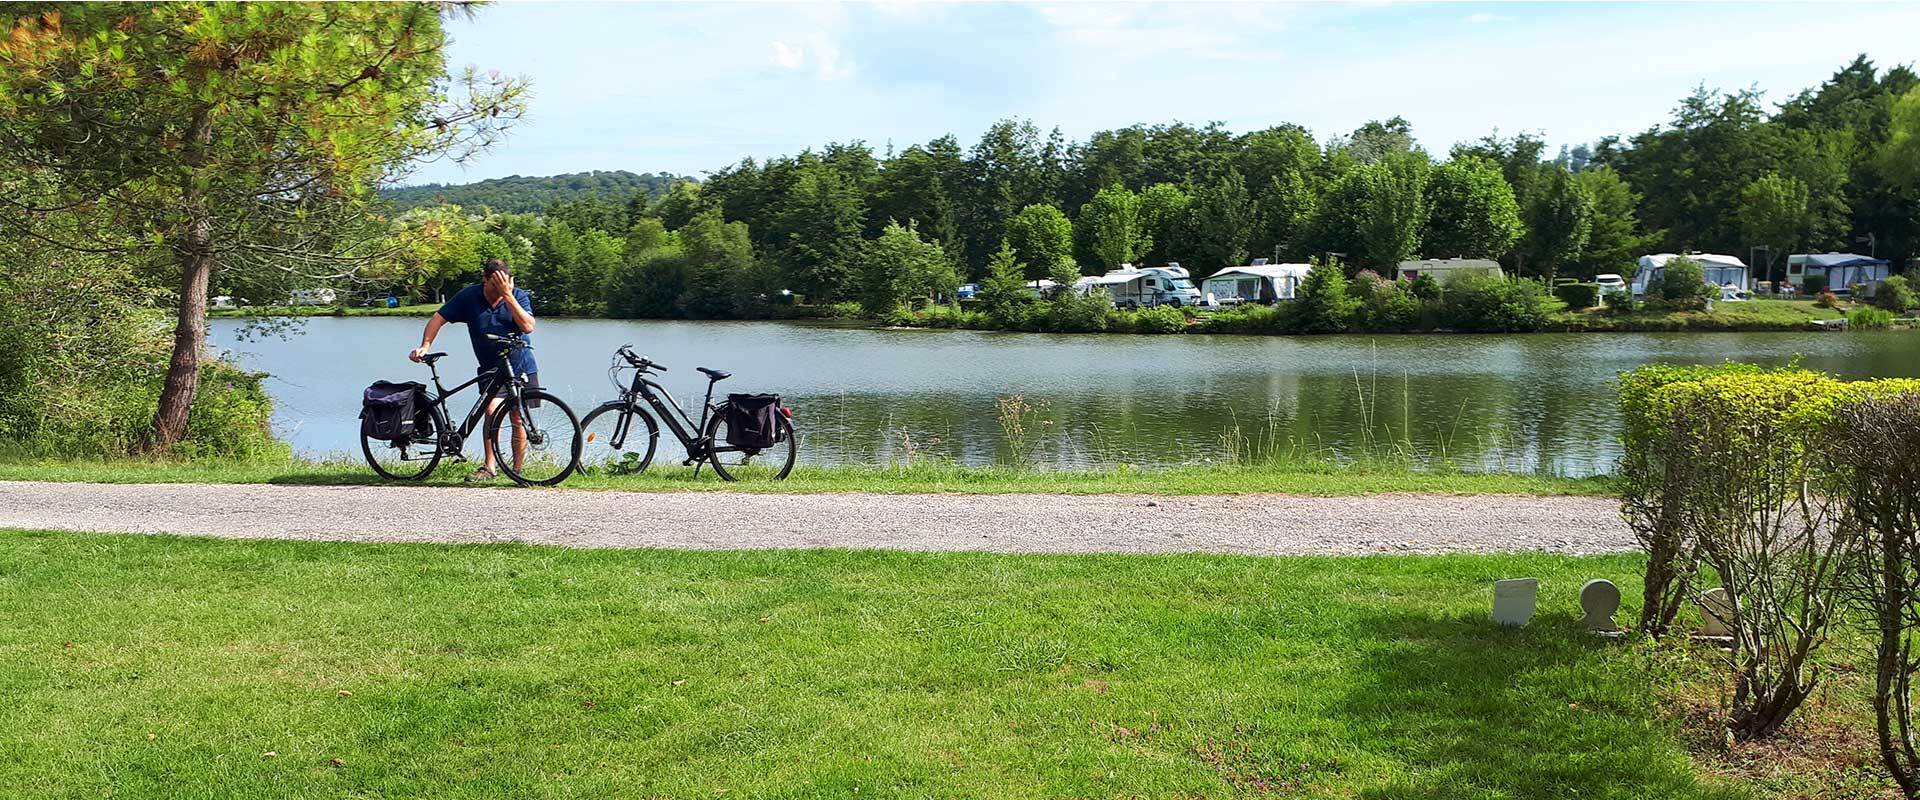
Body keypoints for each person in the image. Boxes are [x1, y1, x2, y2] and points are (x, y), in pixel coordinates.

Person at [408, 258, 537, 481]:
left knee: (517, 416)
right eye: (495, 285)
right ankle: (489, 468)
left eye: (504, 284)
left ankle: (517, 471)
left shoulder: (517, 295)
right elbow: (438, 319)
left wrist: (508, 295)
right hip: (491, 369)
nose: (499, 290)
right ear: (485, 280)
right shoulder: (469, 296)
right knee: (490, 412)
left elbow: (528, 326)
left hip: (521, 366)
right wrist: (425, 345)